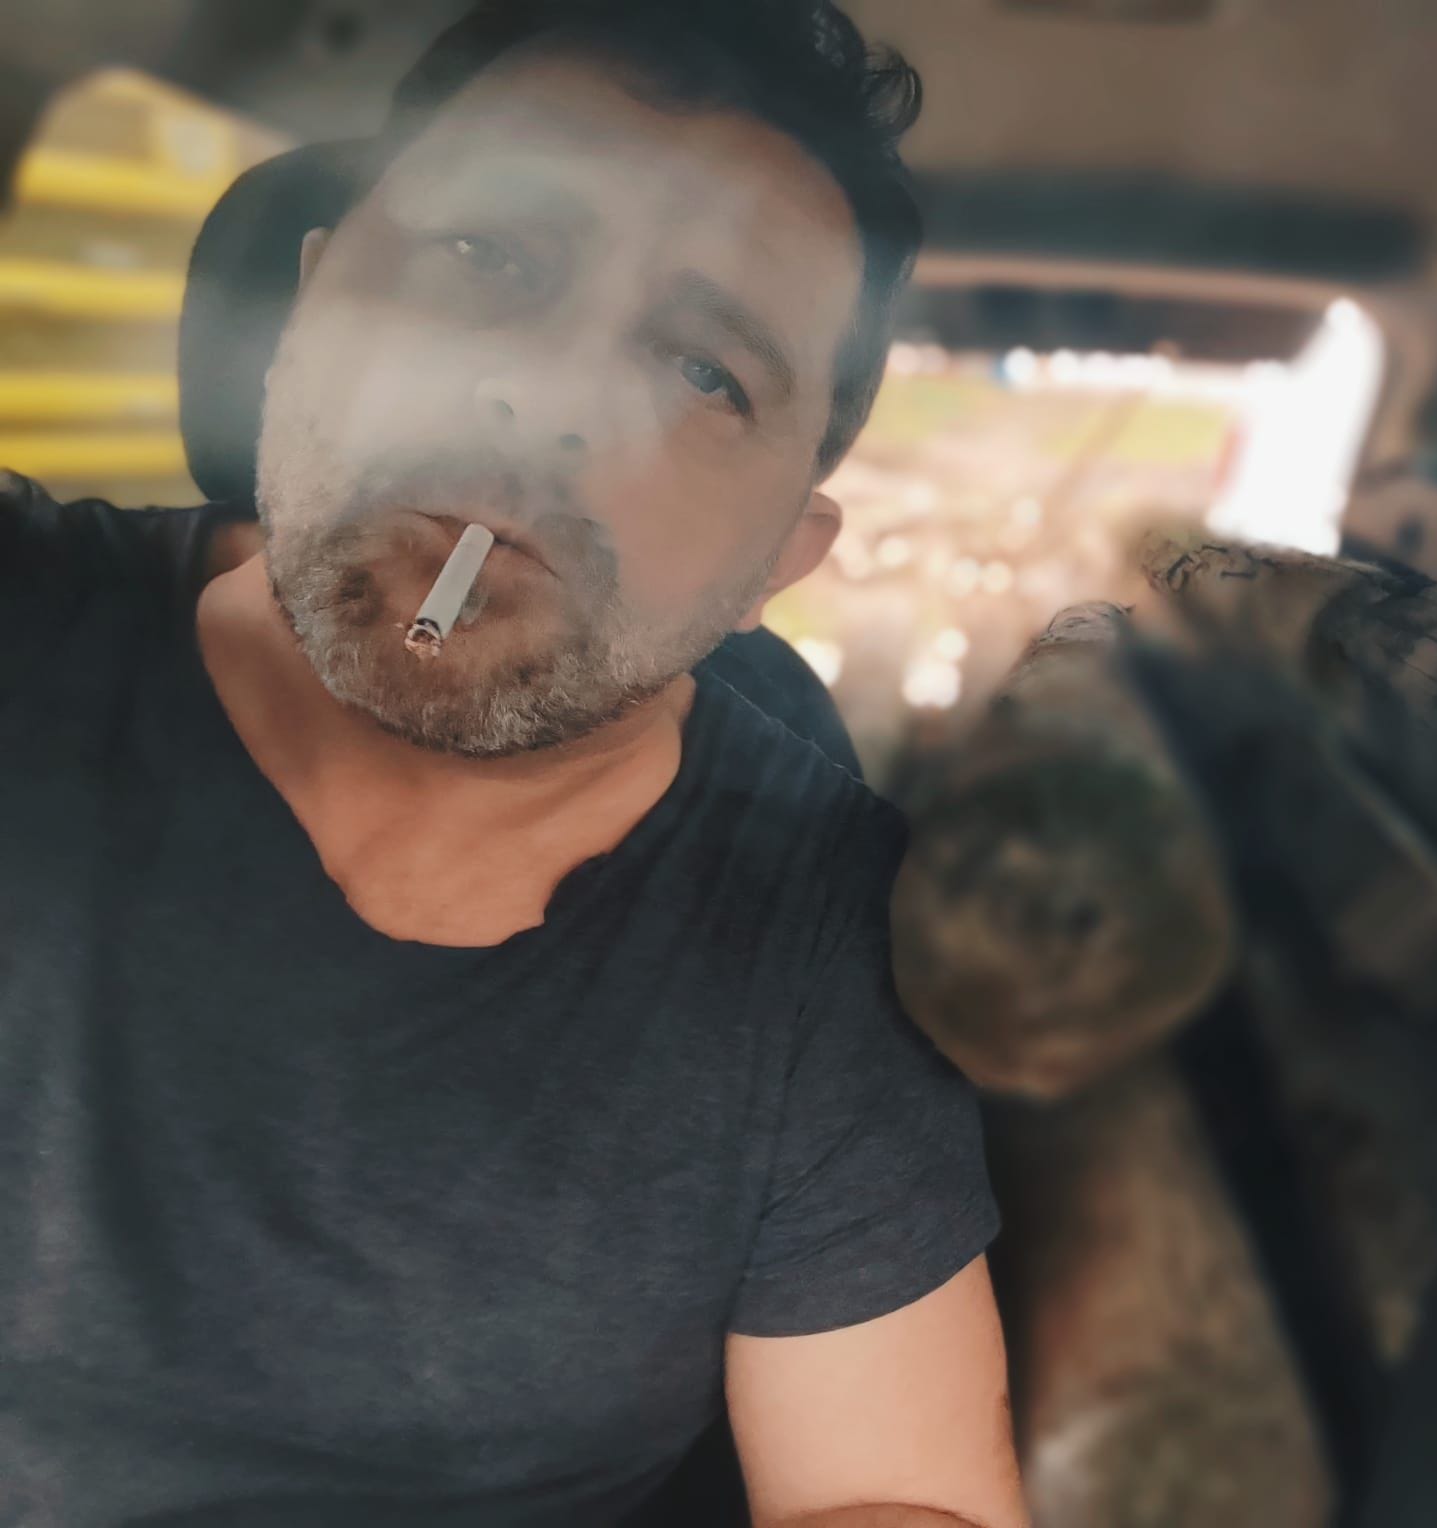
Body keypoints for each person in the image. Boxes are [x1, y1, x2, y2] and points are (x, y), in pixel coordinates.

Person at [0, 2, 1026, 1523]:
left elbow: (893, 1494)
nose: (542, 399)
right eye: (485, 255)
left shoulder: (817, 935)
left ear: (780, 561)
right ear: (305, 304)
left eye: (706, 372)